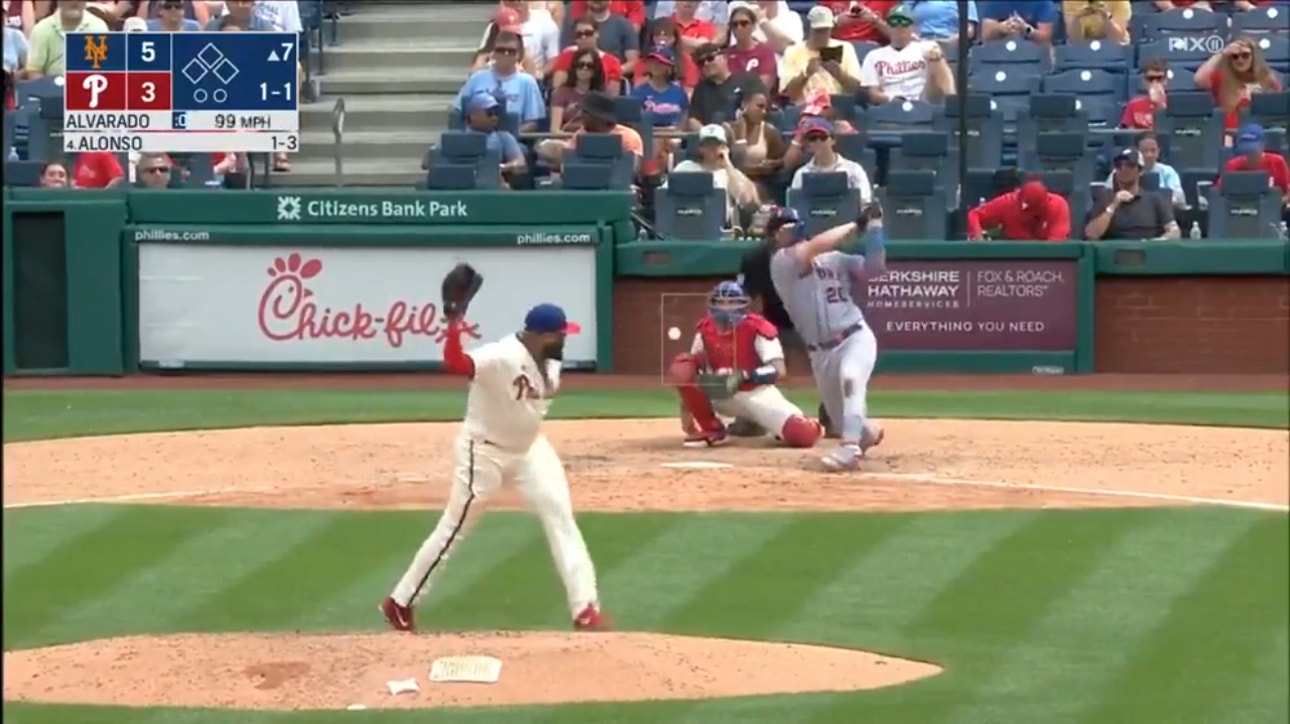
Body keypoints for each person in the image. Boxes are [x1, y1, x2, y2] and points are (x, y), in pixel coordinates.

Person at [382, 303, 607, 633]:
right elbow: (457, 363)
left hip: (530, 451)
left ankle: (585, 607)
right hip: (484, 453)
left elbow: (544, 385)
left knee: (560, 515)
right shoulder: (500, 356)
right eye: (561, 334)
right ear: (543, 336)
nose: (565, 340)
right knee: (455, 527)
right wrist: (454, 328)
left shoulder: (551, 360)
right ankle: (400, 601)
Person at [767, 204, 887, 472]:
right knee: (843, 420)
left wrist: (875, 231)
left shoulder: (835, 259)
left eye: (786, 227)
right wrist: (857, 225)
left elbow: (875, 269)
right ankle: (865, 433)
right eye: (778, 230)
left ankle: (849, 449)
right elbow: (811, 249)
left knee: (851, 378)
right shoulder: (780, 262)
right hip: (820, 354)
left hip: (854, 336)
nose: (782, 234)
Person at [667, 281, 824, 448]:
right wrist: (687, 407)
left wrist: (744, 376)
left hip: (755, 392)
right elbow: (691, 374)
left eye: (731, 302)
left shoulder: (757, 327)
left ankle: (787, 425)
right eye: (721, 302)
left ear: (742, 304)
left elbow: (779, 371)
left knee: (802, 433)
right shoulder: (705, 329)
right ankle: (712, 429)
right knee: (682, 367)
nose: (725, 308)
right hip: (721, 393)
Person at [859, 4, 956, 105]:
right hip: (891, 105)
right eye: (894, 23)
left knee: (936, 58)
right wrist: (892, 99)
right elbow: (873, 94)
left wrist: (934, 56)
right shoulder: (874, 56)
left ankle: (953, 104)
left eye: (904, 23)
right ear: (888, 26)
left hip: (923, 101)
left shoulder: (926, 47)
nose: (899, 27)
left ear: (913, 28)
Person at [668, 124, 761, 227]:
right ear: (700, 148)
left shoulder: (730, 174)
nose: (712, 148)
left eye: (716, 144)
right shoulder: (685, 167)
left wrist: (727, 164)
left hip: (718, 228)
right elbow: (664, 195)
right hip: (684, 223)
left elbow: (748, 201)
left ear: (725, 147)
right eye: (707, 144)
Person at [455, 31, 547, 133]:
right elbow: (458, 109)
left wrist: (510, 134)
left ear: (518, 55)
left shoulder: (527, 82)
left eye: (511, 51)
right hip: (477, 135)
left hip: (514, 139)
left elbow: (533, 122)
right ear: (493, 53)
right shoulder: (477, 78)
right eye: (501, 50)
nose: (506, 54)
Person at [1084, 148, 1181, 240]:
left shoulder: (1154, 198)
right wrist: (1113, 206)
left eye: (1130, 165)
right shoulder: (1105, 197)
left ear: (1140, 170)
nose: (1123, 169)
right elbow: (1092, 235)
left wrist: (1156, 243)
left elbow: (1174, 231)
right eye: (1119, 165)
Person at [1194, 38, 1283, 132]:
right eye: (1235, 56)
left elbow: (1276, 112)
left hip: (1259, 134)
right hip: (1229, 133)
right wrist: (1222, 54)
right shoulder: (1222, 78)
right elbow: (1199, 79)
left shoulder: (1266, 79)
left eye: (1245, 55)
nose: (1240, 60)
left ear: (1254, 57)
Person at [780, 6, 863, 105]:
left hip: (836, 106)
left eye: (825, 30)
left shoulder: (845, 48)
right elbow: (788, 94)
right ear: (810, 28)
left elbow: (856, 90)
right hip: (804, 107)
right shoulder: (793, 51)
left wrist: (840, 75)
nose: (822, 35)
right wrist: (805, 75)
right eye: (818, 31)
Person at [789, 117, 874, 205]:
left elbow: (865, 200)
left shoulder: (854, 170)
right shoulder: (801, 173)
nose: (818, 142)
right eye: (813, 138)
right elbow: (795, 204)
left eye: (823, 137)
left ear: (833, 140)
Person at [687, 42, 766, 127]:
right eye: (701, 63)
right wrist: (708, 134)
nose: (706, 64)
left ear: (725, 57)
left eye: (710, 58)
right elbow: (693, 119)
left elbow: (759, 109)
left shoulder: (748, 80)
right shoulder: (701, 89)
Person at [967, 178, 1072, 241]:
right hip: (1012, 258)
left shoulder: (1058, 206)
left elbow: (1056, 247)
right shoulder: (1008, 202)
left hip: (1044, 262)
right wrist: (978, 239)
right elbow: (974, 215)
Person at [1105, 132, 1185, 209]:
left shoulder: (1168, 172)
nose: (1149, 155)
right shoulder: (1121, 170)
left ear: (1158, 151)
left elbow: (1179, 197)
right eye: (1144, 151)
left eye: (1153, 150)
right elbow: (1107, 195)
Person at [730, 90, 786, 197]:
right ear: (744, 105)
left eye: (766, 108)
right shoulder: (729, 130)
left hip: (759, 184)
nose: (764, 112)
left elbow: (781, 161)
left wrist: (772, 164)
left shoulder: (769, 132)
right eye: (760, 106)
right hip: (732, 182)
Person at [1218, 124, 1290, 205]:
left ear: (1263, 145)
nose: (1250, 155)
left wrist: (1275, 205)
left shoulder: (1277, 162)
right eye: (1246, 151)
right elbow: (1218, 194)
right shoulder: (1232, 165)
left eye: (1253, 151)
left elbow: (1287, 192)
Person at [550, 14, 625, 92]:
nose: (583, 37)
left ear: (597, 33)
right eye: (579, 34)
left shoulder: (612, 62)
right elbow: (557, 88)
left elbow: (612, 97)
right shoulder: (567, 55)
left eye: (588, 33)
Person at [631, 45, 689, 128]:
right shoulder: (638, 92)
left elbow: (684, 119)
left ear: (669, 67)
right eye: (651, 61)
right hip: (647, 136)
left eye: (660, 62)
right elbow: (635, 122)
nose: (655, 65)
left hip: (674, 137)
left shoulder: (680, 93)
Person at [636, 17, 700, 90]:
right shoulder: (643, 61)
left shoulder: (686, 62)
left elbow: (689, 92)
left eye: (667, 36)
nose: (662, 41)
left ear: (675, 38)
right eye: (657, 37)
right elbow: (637, 89)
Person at [724, 5, 777, 93]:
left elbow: (764, 86)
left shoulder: (765, 52)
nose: (739, 27)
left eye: (744, 23)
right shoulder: (726, 55)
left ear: (753, 26)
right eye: (734, 24)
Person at [550, 49, 605, 131]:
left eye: (589, 66)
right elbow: (554, 130)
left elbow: (604, 129)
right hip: (565, 139)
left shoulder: (600, 96)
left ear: (596, 69)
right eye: (580, 65)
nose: (584, 69)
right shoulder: (561, 93)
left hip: (592, 139)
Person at [473, 7, 539, 75]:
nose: (509, 37)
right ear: (496, 31)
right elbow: (474, 79)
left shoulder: (525, 58)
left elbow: (531, 82)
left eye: (513, 33)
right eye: (506, 34)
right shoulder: (483, 57)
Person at [1121, 57, 1169, 130]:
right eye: (1150, 79)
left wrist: (1160, 104)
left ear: (1166, 80)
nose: (1154, 83)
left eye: (1159, 79)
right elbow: (1129, 136)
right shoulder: (1133, 105)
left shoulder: (1175, 104)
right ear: (1144, 81)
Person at [979, 0, 1057, 45]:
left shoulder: (1043, 2)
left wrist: (1026, 29)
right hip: (999, 51)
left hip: (1032, 53)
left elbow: (1045, 39)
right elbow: (986, 35)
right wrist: (1003, 27)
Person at [825, 0, 896, 44]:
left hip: (871, 47)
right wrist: (836, 21)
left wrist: (875, 20)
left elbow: (898, 37)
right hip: (837, 45)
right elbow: (816, 33)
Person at [1062, 0, 1130, 44]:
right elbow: (1074, 38)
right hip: (1083, 43)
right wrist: (1077, 17)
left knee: (1121, 42)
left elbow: (1118, 37)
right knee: (1071, 45)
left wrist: (1105, 17)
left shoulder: (1121, 1)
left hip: (1113, 43)